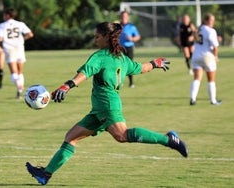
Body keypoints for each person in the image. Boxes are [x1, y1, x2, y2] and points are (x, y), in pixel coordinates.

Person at [25, 22, 188, 185]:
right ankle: (45, 174)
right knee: (71, 138)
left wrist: (67, 85)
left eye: (97, 36)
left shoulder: (100, 56)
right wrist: (154, 63)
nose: (95, 39)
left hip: (108, 105)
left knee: (122, 135)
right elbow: (141, 68)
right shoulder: (122, 58)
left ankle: (168, 139)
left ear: (107, 37)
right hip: (99, 109)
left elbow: (85, 73)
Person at [0, 8, 33, 99]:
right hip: (19, 48)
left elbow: (0, 38)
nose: (3, 16)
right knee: (20, 71)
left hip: (9, 49)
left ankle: (19, 86)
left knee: (14, 72)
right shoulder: (20, 24)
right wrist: (21, 40)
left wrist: (0, 41)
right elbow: (30, 34)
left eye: (4, 15)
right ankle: (19, 91)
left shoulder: (2, 25)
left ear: (8, 15)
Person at [190, 13, 221, 106]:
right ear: (206, 20)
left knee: (197, 78)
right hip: (207, 56)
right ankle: (213, 100)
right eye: (211, 20)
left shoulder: (198, 30)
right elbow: (215, 47)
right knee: (211, 79)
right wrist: (215, 57)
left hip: (196, 56)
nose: (213, 22)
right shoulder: (211, 31)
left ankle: (193, 98)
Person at [119, 11, 141, 88]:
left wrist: (132, 39)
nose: (123, 18)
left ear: (128, 17)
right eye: (122, 16)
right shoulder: (118, 26)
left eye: (125, 16)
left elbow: (138, 36)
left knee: (129, 64)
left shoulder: (132, 27)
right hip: (119, 47)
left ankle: (131, 83)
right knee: (119, 65)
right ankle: (119, 82)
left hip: (129, 47)